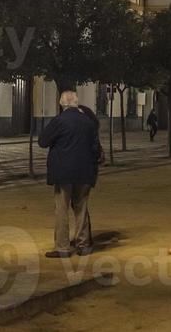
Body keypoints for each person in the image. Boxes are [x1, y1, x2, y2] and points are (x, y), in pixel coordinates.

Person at [38, 91, 104, 258]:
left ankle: (63, 247)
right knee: (81, 208)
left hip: (63, 172)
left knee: (62, 209)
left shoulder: (59, 121)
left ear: (62, 104)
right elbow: (95, 147)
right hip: (84, 172)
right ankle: (83, 245)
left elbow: (43, 141)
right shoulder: (88, 122)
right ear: (76, 102)